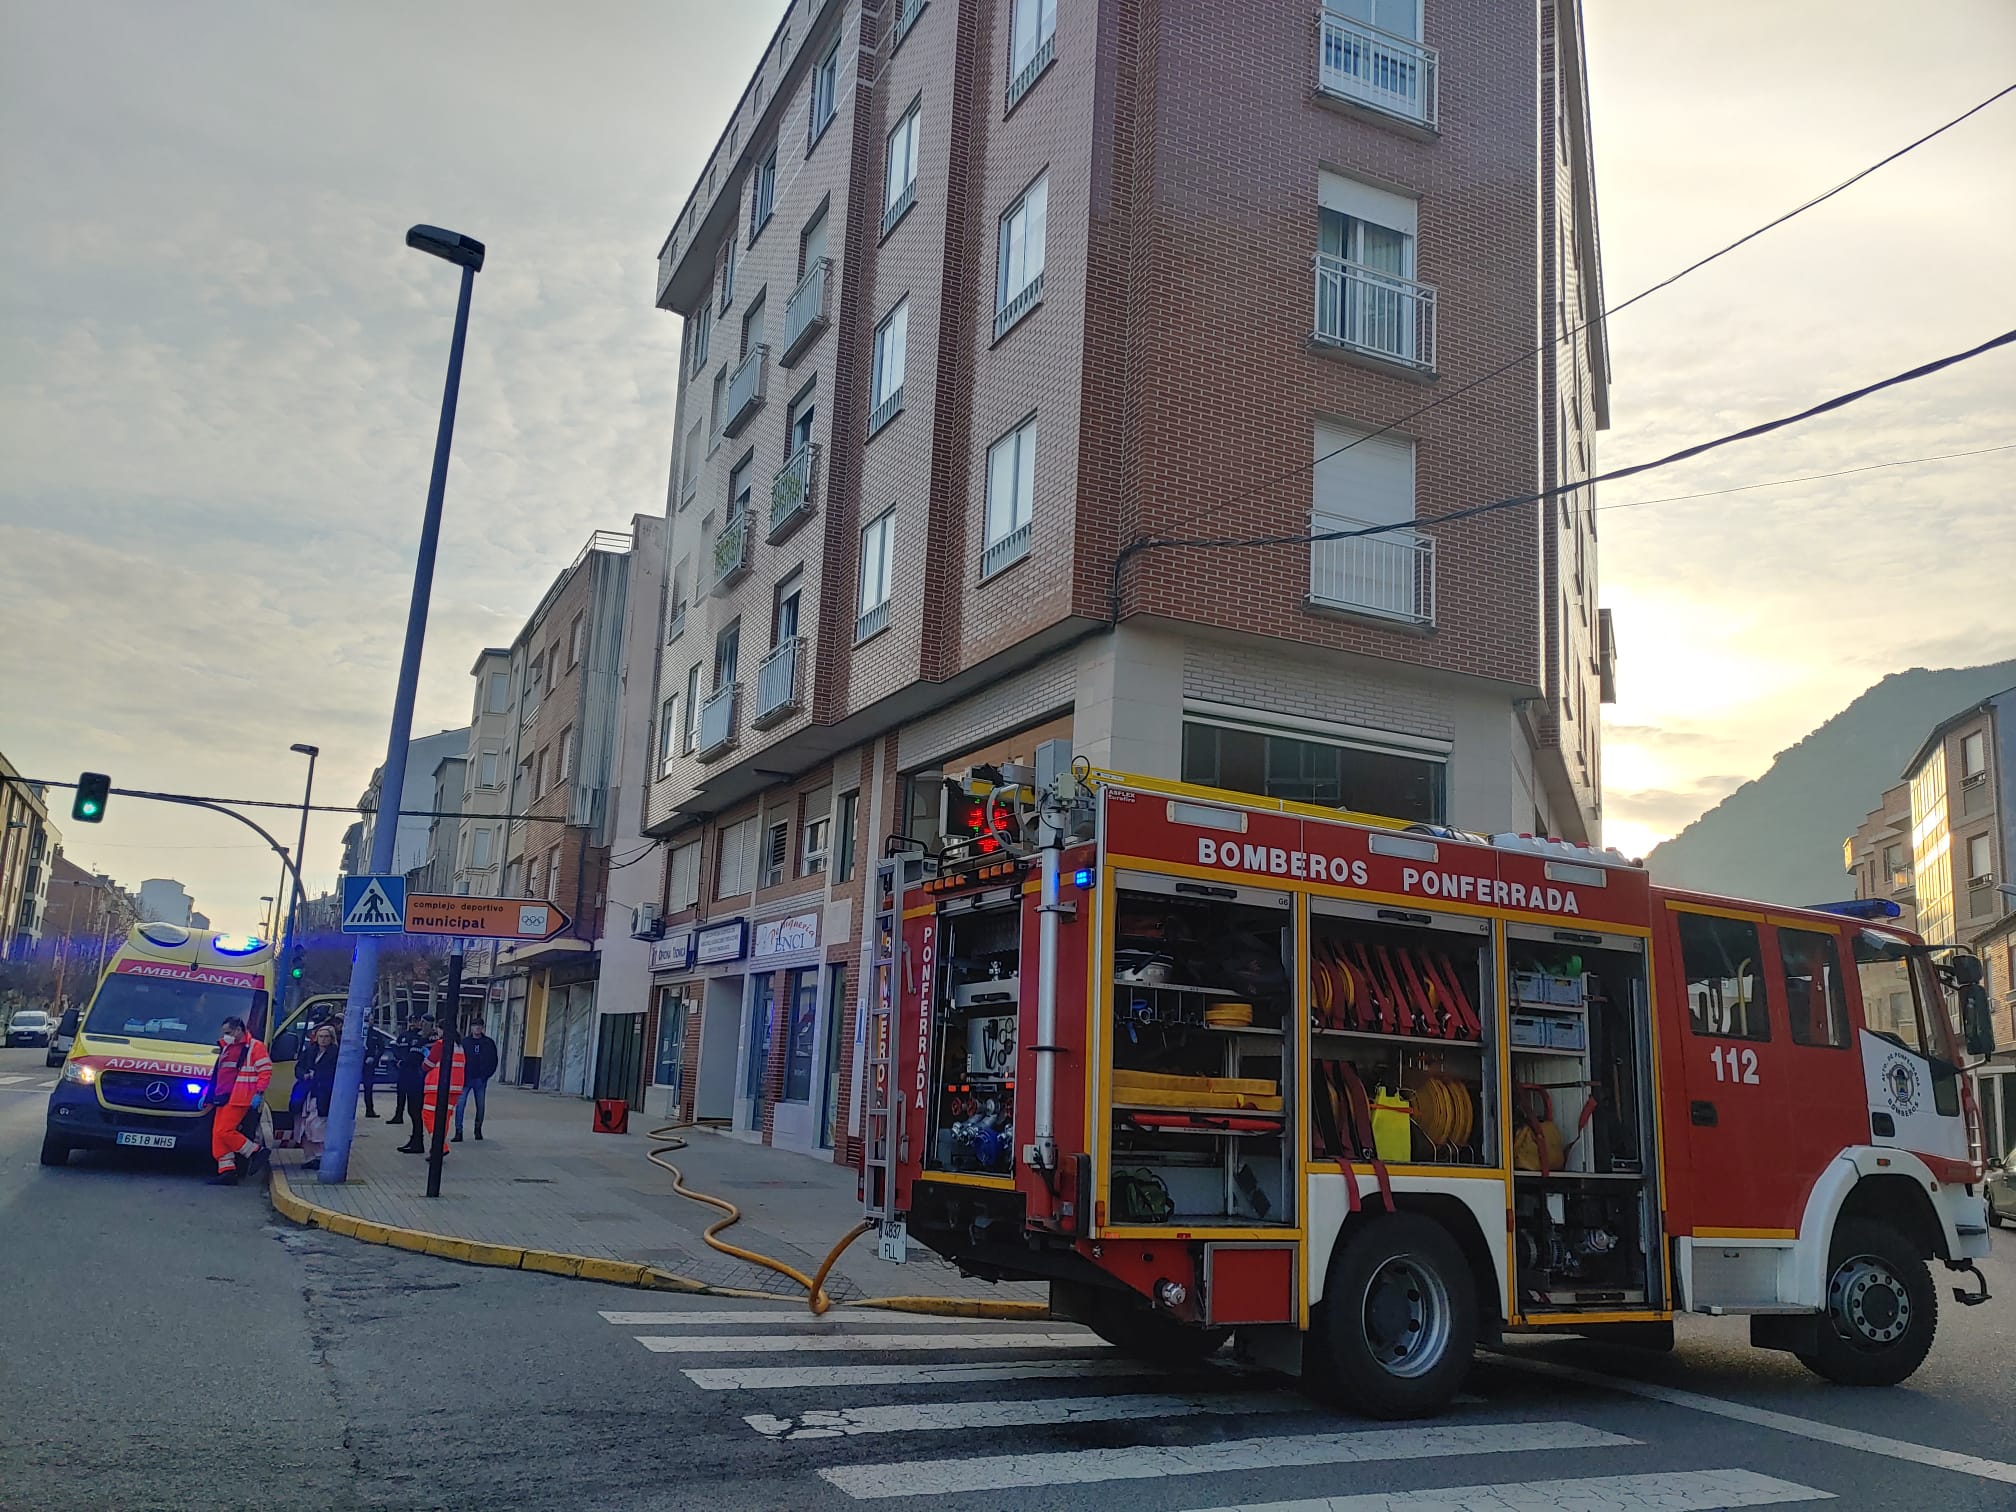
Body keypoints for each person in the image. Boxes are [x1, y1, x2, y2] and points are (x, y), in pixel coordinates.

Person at [207, 1015, 273, 1186]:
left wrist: (259, 1092)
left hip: (241, 1096)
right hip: (224, 1095)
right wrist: (209, 1095)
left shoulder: (255, 1047)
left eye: (228, 1032)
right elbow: (220, 1072)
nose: (225, 1036)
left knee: (224, 1131)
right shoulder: (228, 1046)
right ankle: (227, 1171)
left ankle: (256, 1151)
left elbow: (265, 1070)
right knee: (218, 1133)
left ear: (238, 1030)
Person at [401, 1023, 466, 1155]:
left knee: (428, 1115)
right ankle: (438, 1148)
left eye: (439, 1030)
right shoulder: (459, 1046)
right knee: (445, 1118)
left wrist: (424, 1061)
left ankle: (441, 1146)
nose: (437, 1033)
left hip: (437, 1087)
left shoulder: (441, 1044)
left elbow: (428, 1064)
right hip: (455, 1088)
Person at [291, 1023, 340, 1170]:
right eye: (321, 1036)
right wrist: (303, 1074)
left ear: (331, 1039)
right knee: (303, 1126)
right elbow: (298, 1067)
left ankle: (320, 1156)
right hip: (305, 1092)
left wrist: (316, 1075)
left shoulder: (335, 1054)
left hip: (322, 1094)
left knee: (317, 1125)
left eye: (326, 1037)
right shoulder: (310, 1051)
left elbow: (333, 1073)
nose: (323, 1040)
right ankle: (309, 1157)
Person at [454, 1019, 499, 1142]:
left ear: (483, 1028)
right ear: (471, 1028)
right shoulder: (465, 1042)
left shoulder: (488, 1043)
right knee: (460, 1105)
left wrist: (486, 1075)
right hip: (466, 1079)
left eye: (479, 1026)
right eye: (475, 1026)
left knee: (480, 1105)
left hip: (481, 1079)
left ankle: (478, 1129)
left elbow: (494, 1060)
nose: (477, 1028)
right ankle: (458, 1131)